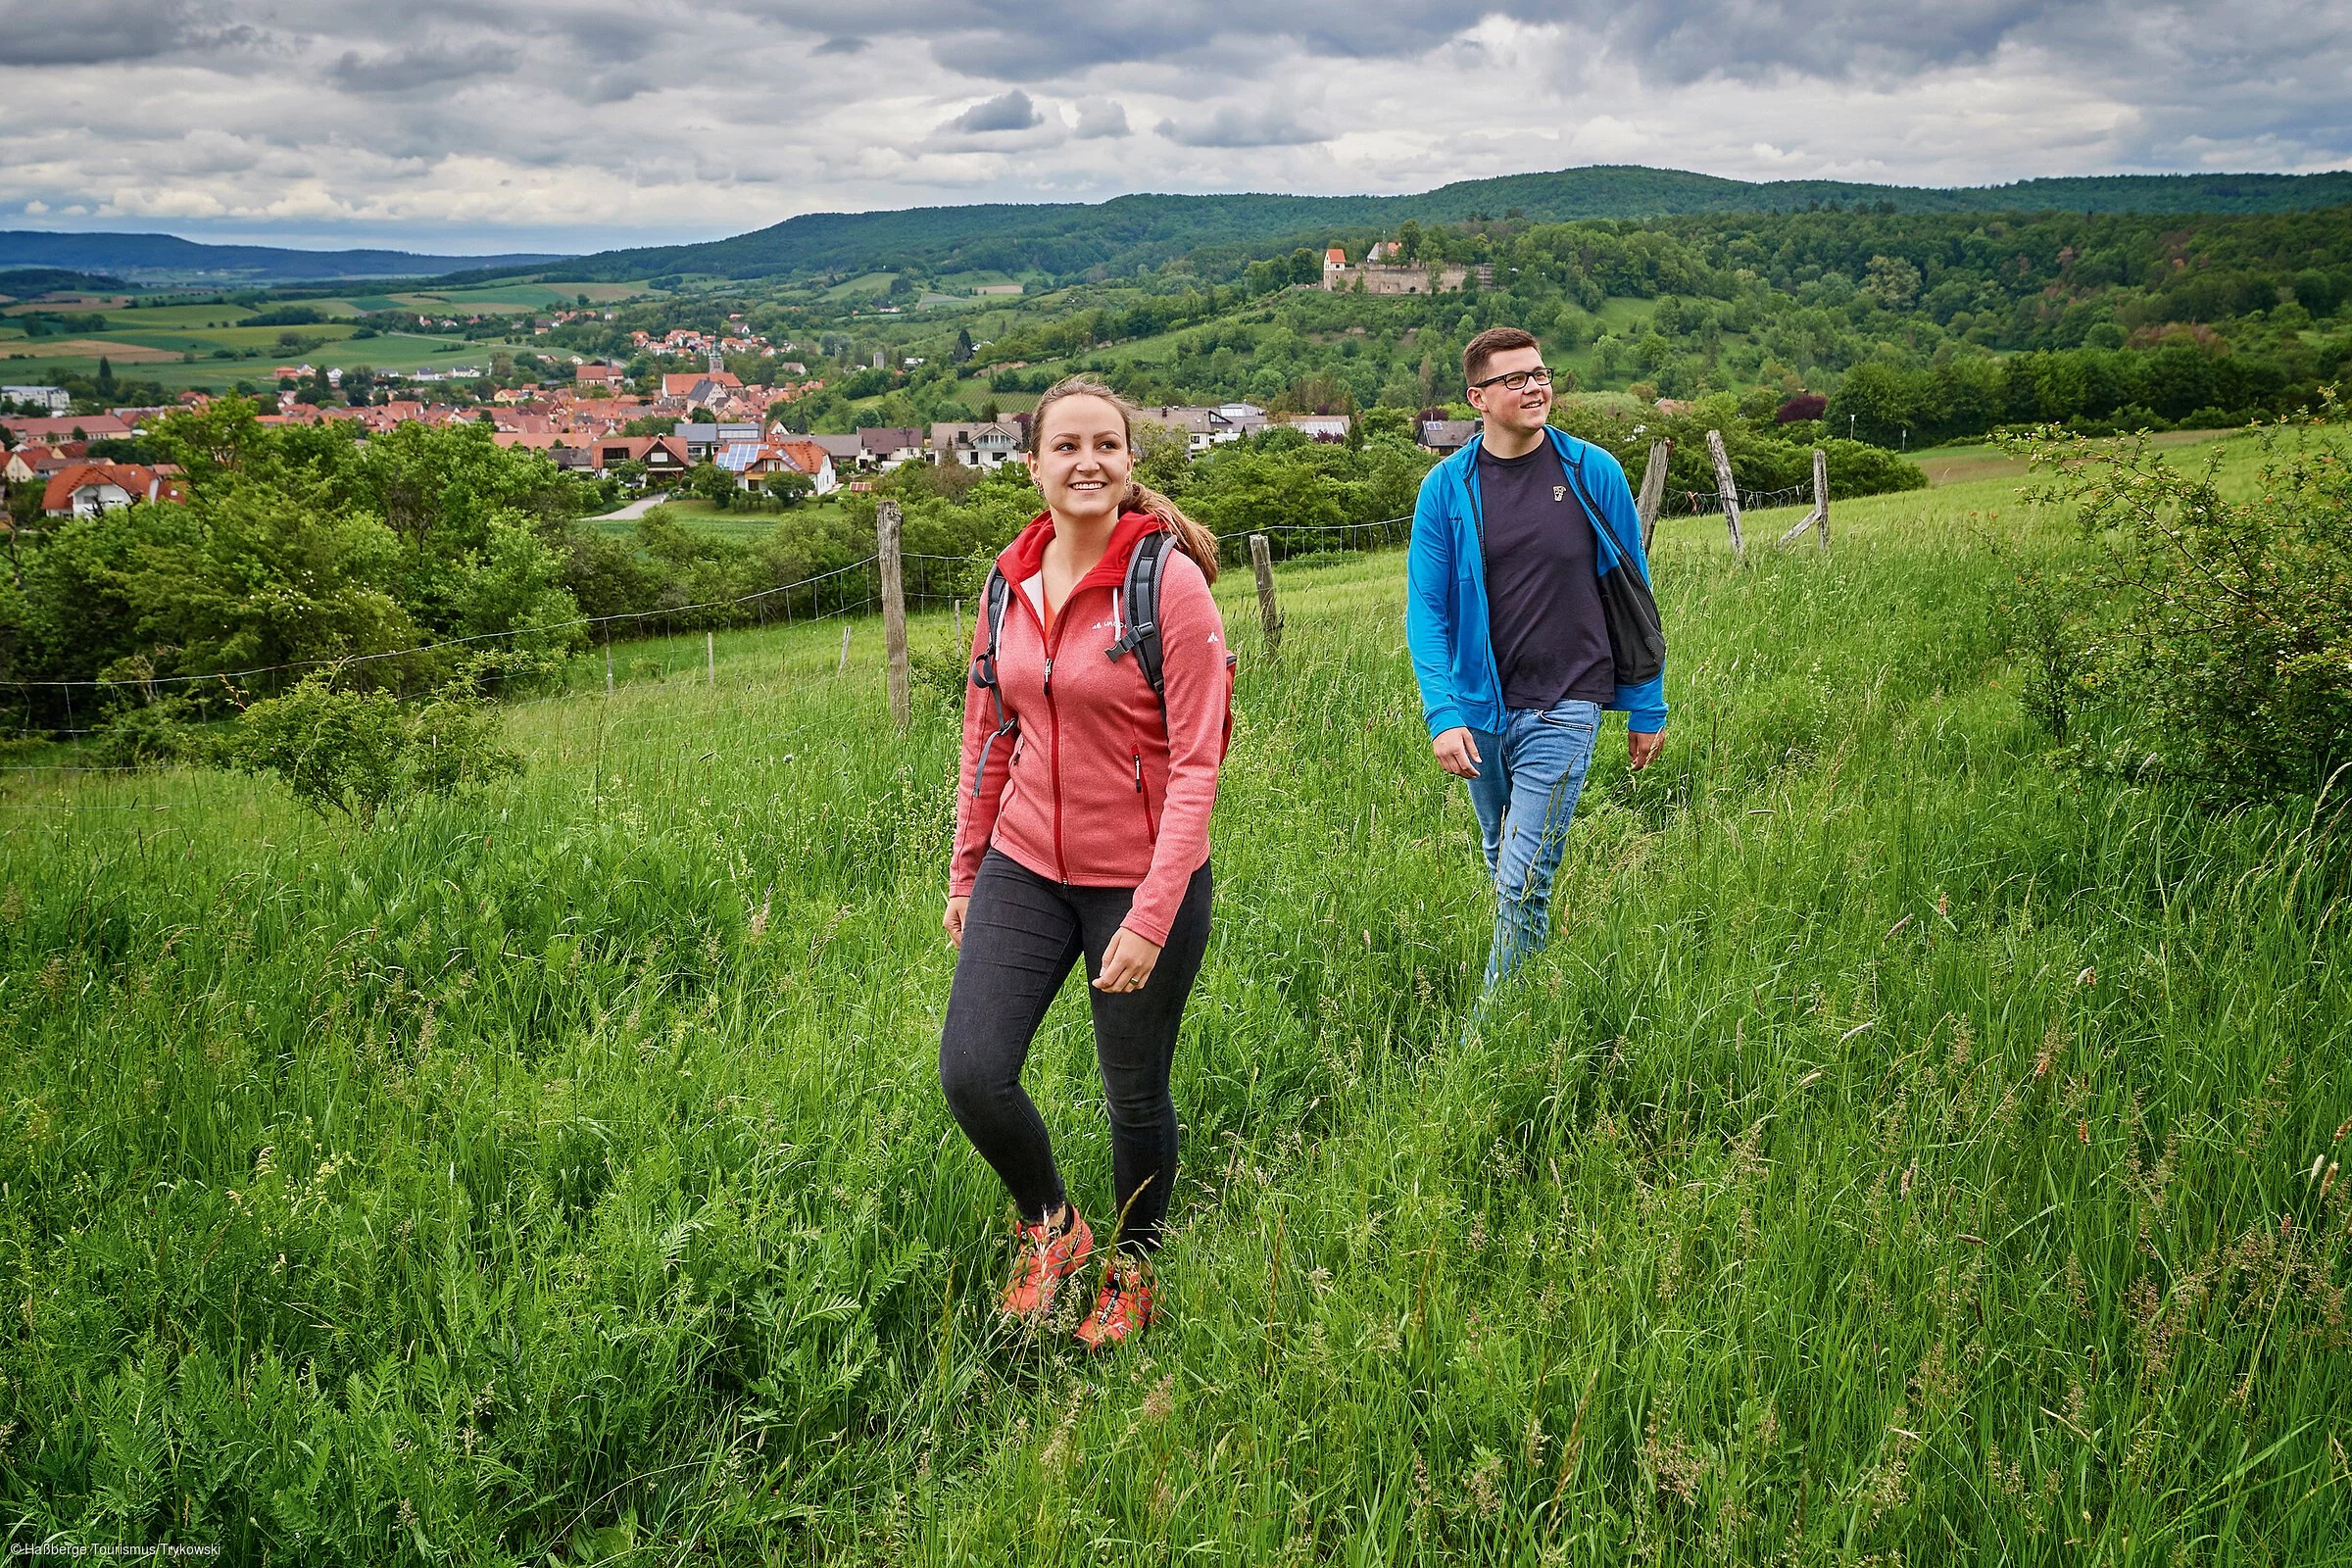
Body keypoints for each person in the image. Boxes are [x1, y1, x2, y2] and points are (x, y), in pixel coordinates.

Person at [941, 375, 1233, 1349]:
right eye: (1065, 446)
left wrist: (1153, 912)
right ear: (1031, 464)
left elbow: (1199, 763)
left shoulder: (1168, 584)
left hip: (1139, 877)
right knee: (974, 1073)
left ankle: (1135, 1260)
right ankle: (1051, 1224)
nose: (1087, 461)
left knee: (1133, 1091)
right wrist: (966, 871)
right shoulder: (1007, 582)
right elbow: (988, 732)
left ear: (1130, 462)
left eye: (1105, 444)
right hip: (1026, 864)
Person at [1404, 326, 1668, 995]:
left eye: (1541, 373)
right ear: (1478, 397)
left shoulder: (1591, 472)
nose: (1534, 387)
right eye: (1514, 379)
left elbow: (1633, 592)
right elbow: (1427, 612)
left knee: (1522, 881)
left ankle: (1487, 1046)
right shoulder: (1446, 490)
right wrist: (1443, 714)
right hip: (1480, 712)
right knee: (1505, 868)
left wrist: (1647, 703)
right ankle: (1535, 1003)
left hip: (1567, 702)